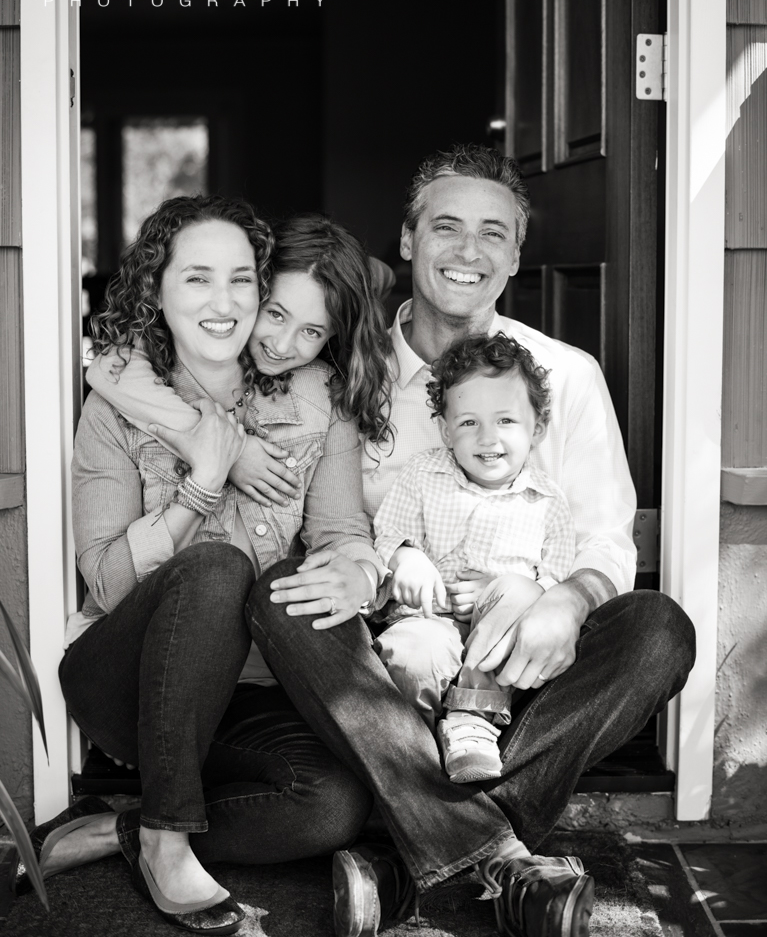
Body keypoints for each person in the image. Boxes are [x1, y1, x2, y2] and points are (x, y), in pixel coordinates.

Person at [76, 146, 694, 937]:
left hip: (511, 662)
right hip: (373, 667)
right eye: (445, 227)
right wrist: (365, 567)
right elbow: (138, 368)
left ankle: (421, 852)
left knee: (657, 629)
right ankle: (482, 857)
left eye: (492, 233)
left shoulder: (564, 376)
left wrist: (565, 601)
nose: (467, 251)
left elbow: (606, 541)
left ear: (516, 254)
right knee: (288, 593)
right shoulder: (348, 367)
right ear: (406, 240)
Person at [12, 199, 393, 936]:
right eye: (196, 279)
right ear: (156, 291)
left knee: (331, 806)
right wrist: (203, 482)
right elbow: (108, 583)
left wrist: (357, 569)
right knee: (216, 567)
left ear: (259, 287)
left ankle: (123, 829)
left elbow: (342, 531)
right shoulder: (118, 400)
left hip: (249, 688)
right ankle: (165, 841)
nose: (225, 304)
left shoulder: (316, 396)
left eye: (241, 281)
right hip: (126, 679)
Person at [373, 333, 576, 785]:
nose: (488, 438)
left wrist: (500, 594)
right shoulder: (423, 474)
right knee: (410, 654)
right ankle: (417, 751)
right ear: (446, 430)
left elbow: (555, 587)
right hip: (430, 621)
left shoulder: (546, 503)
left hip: (502, 648)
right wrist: (406, 558)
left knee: (520, 590)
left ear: (537, 429)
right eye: (468, 422)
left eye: (506, 420)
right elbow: (386, 535)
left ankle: (471, 718)